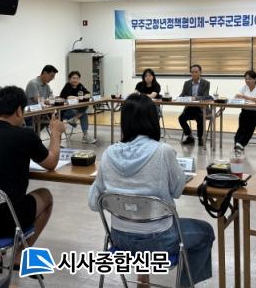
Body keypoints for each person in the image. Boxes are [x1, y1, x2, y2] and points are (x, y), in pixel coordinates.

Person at [88, 94, 214, 287]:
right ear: (153, 120)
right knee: (206, 231)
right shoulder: (163, 151)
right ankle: (185, 285)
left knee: (138, 217)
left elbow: (93, 203)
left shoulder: (108, 154)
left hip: (120, 240)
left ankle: (143, 281)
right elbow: (177, 190)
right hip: (159, 243)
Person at [0, 86, 65, 271]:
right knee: (46, 196)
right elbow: (51, 163)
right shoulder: (24, 135)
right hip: (4, 222)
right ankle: (19, 256)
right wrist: (56, 133)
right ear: (18, 110)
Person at [59, 71, 97, 144]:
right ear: (69, 79)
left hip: (75, 110)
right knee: (83, 114)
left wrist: (84, 96)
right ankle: (85, 136)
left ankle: (75, 120)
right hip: (65, 111)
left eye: (77, 78)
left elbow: (88, 94)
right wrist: (79, 97)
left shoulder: (80, 85)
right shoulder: (67, 86)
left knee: (84, 108)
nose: (75, 80)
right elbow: (68, 97)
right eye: (73, 78)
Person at [234, 70, 256, 152]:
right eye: (246, 79)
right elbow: (237, 97)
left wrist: (246, 97)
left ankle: (240, 144)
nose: (247, 81)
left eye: (249, 79)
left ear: (255, 79)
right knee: (242, 126)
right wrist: (238, 97)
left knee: (249, 126)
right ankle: (237, 143)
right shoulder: (244, 87)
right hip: (245, 112)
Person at [178, 64, 211, 145]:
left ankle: (200, 138)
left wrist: (195, 98)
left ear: (200, 72)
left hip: (201, 108)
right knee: (181, 118)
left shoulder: (206, 83)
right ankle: (190, 136)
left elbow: (206, 96)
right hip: (190, 107)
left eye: (196, 72)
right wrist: (181, 97)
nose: (194, 74)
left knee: (200, 118)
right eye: (192, 72)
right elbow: (182, 94)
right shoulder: (187, 83)